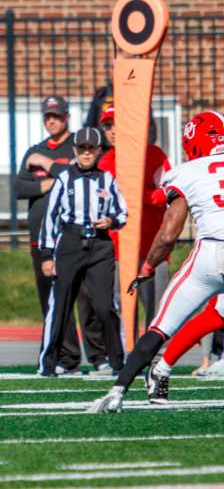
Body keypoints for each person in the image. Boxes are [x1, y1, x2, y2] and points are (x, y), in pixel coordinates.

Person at [89, 111, 224, 413]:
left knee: (162, 325)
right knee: (216, 314)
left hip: (208, 255)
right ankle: (159, 370)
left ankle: (119, 389)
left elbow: (168, 233)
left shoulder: (187, 172)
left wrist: (148, 266)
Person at [15, 96, 107, 374]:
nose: (51, 120)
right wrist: (53, 182)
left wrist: (46, 166)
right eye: (47, 116)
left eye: (56, 115)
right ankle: (68, 359)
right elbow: (20, 188)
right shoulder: (34, 149)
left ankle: (99, 355)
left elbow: (80, 176)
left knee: (87, 298)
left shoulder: (77, 146)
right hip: (42, 237)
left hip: (74, 236)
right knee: (54, 301)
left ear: (67, 117)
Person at [38, 127, 127, 377]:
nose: (86, 154)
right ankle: (48, 363)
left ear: (99, 151)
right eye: (82, 149)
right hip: (70, 243)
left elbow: (123, 212)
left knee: (103, 305)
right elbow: (50, 217)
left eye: (91, 149)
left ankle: (117, 361)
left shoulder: (107, 179)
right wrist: (47, 254)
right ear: (75, 151)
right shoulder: (64, 180)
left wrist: (111, 221)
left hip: (99, 245)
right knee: (61, 304)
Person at [96, 105, 171, 331]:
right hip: (119, 250)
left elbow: (169, 194)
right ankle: (125, 356)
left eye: (116, 124)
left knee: (157, 309)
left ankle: (156, 359)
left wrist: (142, 195)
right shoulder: (103, 163)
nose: (112, 131)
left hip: (152, 249)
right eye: (107, 126)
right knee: (121, 307)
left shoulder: (154, 155)